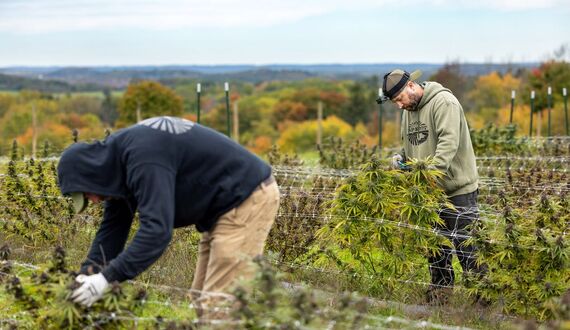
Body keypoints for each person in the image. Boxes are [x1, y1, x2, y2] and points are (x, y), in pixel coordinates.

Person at [57, 116, 280, 319]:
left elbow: (157, 232)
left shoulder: (143, 159)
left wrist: (106, 279)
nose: (94, 201)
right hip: (221, 209)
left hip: (246, 198)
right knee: (201, 300)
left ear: (92, 172)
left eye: (88, 194)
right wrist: (86, 276)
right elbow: (113, 228)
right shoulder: (118, 165)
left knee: (220, 306)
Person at [379, 69, 485, 304]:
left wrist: (427, 178)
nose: (399, 106)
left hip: (457, 190)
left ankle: (484, 302)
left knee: (467, 248)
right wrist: (400, 159)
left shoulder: (444, 102)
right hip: (429, 194)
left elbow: (447, 145)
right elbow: (411, 146)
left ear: (411, 86)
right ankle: (439, 298)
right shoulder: (409, 111)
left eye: (399, 99)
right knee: (435, 250)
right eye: (395, 102)